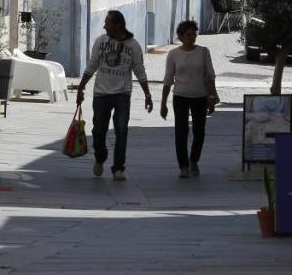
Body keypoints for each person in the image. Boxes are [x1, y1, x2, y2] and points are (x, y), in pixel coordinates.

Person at [76, 11, 152, 181]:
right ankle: (100, 157)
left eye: (107, 23)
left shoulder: (133, 46)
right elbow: (92, 65)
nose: (104, 26)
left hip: (122, 95)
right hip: (101, 93)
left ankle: (118, 168)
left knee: (121, 131)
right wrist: (81, 88)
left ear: (118, 25)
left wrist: (147, 94)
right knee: (98, 131)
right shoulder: (101, 41)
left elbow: (139, 70)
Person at [160, 20, 218, 178]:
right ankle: (183, 166)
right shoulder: (173, 54)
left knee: (199, 132)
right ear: (180, 37)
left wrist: (211, 96)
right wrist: (163, 103)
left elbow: (210, 75)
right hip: (180, 96)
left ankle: (194, 160)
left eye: (194, 34)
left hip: (200, 96)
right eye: (188, 34)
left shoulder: (203, 52)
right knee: (181, 132)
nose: (192, 37)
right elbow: (168, 78)